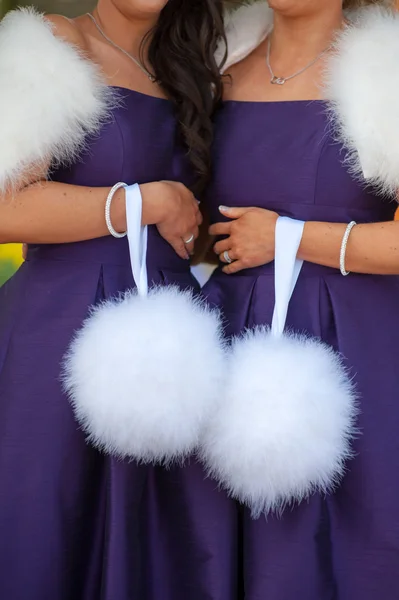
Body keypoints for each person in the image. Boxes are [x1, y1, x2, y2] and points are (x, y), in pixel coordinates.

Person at [0, 1, 225, 597]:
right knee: (50, 532)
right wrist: (143, 203)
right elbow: (5, 206)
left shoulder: (197, 70)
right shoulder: (52, 42)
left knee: (162, 547)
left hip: (169, 344)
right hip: (60, 333)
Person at [196, 0, 399, 598]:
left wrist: (289, 237)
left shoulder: (386, 67)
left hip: (357, 349)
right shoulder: (218, 66)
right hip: (230, 350)